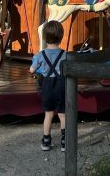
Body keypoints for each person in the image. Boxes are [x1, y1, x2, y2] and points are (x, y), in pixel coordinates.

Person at [30, 20, 67, 151]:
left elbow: (32, 70)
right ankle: (64, 142)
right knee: (63, 114)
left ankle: (46, 141)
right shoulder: (65, 54)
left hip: (47, 86)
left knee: (48, 114)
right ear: (61, 36)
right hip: (61, 86)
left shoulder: (41, 55)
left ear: (44, 37)